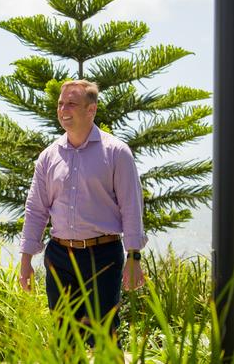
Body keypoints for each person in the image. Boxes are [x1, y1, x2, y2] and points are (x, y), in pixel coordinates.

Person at [19, 80, 147, 345]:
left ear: (92, 110)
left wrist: (134, 256)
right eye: (60, 104)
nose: (63, 109)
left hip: (104, 256)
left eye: (72, 104)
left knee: (105, 335)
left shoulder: (116, 153)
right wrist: (25, 260)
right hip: (60, 256)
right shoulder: (48, 157)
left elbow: (131, 206)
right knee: (65, 338)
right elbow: (35, 210)